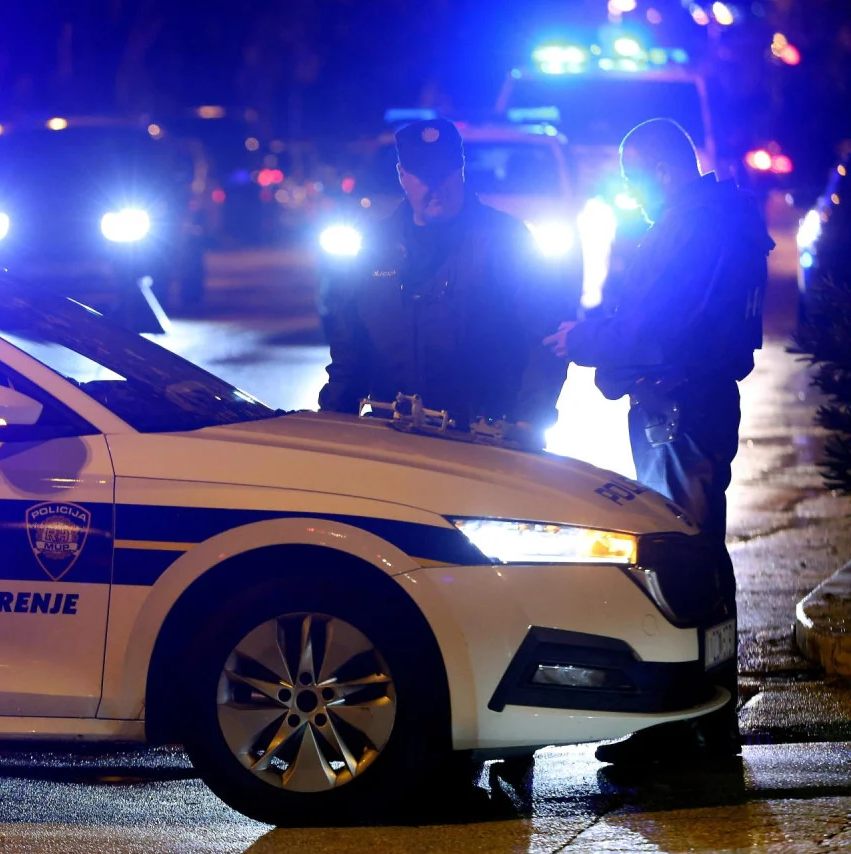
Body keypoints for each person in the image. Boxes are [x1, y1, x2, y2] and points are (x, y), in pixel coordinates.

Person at [543, 118, 774, 765]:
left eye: (633, 179)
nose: (630, 194)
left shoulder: (693, 227)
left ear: (661, 171)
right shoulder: (711, 219)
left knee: (680, 555)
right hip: (688, 402)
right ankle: (700, 713)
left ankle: (686, 719)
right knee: (696, 551)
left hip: (679, 407)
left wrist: (585, 340)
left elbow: (661, 324)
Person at [319, 118, 570, 437]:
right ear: (402, 175)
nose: (435, 186)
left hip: (483, 435)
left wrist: (529, 421)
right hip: (389, 432)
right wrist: (332, 418)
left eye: (445, 174)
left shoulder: (506, 239)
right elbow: (349, 344)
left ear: (461, 170)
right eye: (423, 176)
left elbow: (545, 335)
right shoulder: (373, 245)